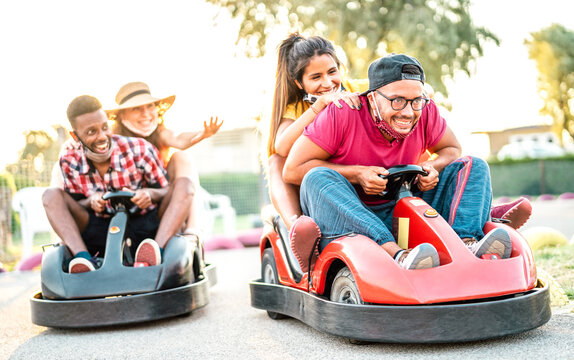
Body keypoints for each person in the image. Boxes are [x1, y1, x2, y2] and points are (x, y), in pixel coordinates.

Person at [283, 53, 512, 271]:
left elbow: (451, 149)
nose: (409, 112)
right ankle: (397, 255)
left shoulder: (426, 110)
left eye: (415, 101)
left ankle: (467, 242)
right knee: (316, 178)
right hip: (352, 215)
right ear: (372, 98)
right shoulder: (341, 112)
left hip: (404, 204)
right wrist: (357, 174)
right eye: (398, 101)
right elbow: (292, 170)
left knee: (473, 165)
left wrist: (433, 167)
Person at [43, 95, 193, 273]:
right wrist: (91, 200)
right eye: (91, 132)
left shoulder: (139, 148)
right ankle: (83, 259)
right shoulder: (69, 160)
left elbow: (166, 190)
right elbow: (76, 205)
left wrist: (150, 194)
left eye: (105, 128)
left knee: (185, 185)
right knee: (50, 195)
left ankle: (154, 253)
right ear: (75, 136)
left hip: (147, 226)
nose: (102, 137)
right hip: (100, 230)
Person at [105, 82, 223, 235]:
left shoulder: (159, 133)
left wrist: (201, 134)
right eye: (136, 108)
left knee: (182, 157)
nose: (146, 114)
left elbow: (178, 140)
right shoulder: (114, 142)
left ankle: (192, 229)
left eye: (150, 106)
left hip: (163, 199)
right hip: (130, 204)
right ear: (122, 115)